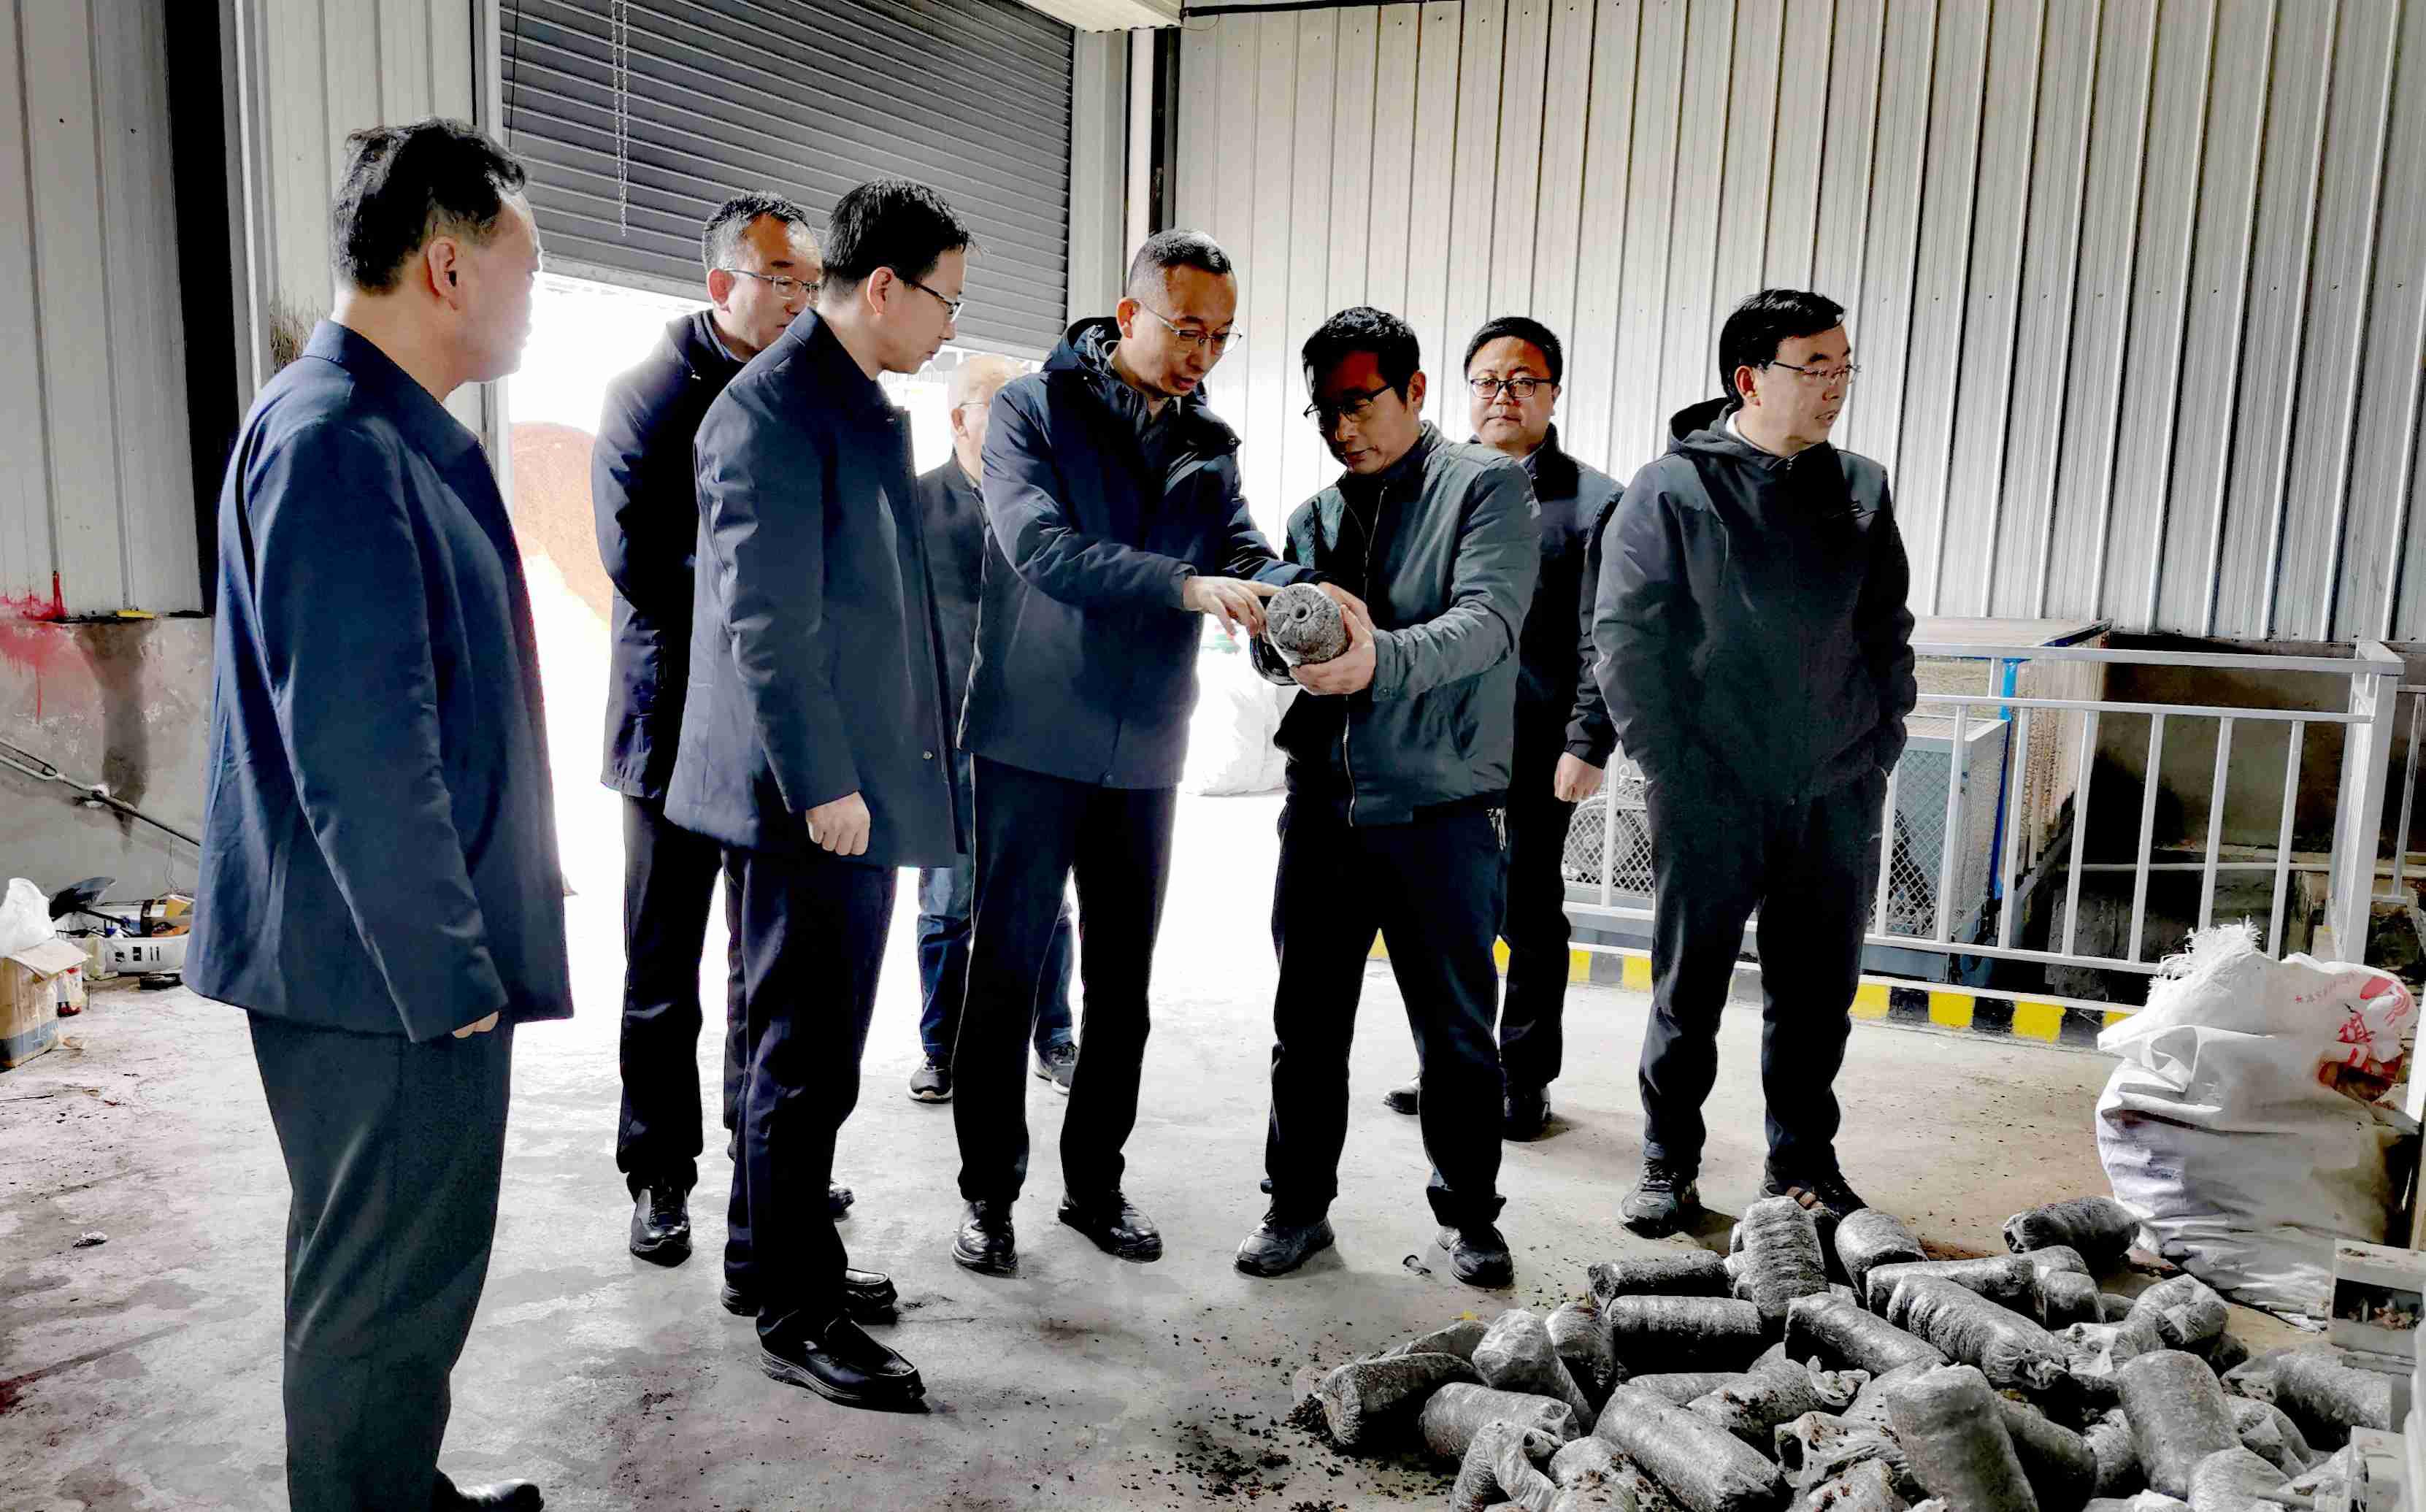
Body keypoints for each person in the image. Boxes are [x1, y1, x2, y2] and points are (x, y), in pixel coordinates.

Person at [188, 119, 559, 1511]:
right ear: (449, 268)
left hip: (378, 960)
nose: (532, 296)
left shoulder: (369, 425)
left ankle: (396, 1487)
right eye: (526, 266)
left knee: (394, 1268)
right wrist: (445, 973)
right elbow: (362, 752)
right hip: (382, 976)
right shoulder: (338, 442)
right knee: (380, 1292)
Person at [949, 229, 1317, 1278]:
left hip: (1146, 746)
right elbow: (1041, 549)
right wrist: (1185, 586)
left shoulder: (1206, 440)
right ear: (1127, 316)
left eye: (1221, 336)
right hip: (1032, 738)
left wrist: (1291, 592)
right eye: (1186, 328)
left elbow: (1239, 546)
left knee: (1122, 987)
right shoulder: (1033, 411)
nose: (1203, 352)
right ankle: (987, 1193)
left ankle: (1093, 1184)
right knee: (1005, 972)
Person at [664, 178, 968, 1408]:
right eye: (945, 298)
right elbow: (767, 621)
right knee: (806, 1055)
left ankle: (767, 1258)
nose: (950, 323)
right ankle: (798, 1313)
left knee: (783, 1039)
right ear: (883, 287)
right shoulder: (774, 410)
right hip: (812, 799)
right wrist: (826, 782)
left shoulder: (843, 398)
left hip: (839, 782)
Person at [1593, 287, 1916, 1239]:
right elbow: (1625, 639)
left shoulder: (1860, 487)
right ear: (1748, 378)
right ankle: (1667, 1160)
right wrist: (1672, 766)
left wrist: (1876, 742)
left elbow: (1885, 628)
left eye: (1842, 366)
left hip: (1834, 788)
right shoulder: (1672, 489)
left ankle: (1801, 1163)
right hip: (1710, 790)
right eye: (1812, 367)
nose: (1834, 386)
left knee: (1815, 995)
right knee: (1688, 985)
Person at [1235, 307, 1539, 1289]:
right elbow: (1284, 647)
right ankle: (1295, 1207)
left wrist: (1378, 661)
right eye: (1324, 410)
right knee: (1305, 1026)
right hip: (1323, 807)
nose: (1341, 428)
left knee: (1454, 1034)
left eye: (1359, 403)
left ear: (1413, 390)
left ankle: (1470, 1216)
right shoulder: (1313, 518)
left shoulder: (1485, 486)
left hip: (1438, 809)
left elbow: (1486, 622)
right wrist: (1273, 636)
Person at [595, 191, 856, 1265]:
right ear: (721, 284)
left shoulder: (803, 397)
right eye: (782, 279)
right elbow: (635, 560)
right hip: (669, 729)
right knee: (664, 965)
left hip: (768, 736)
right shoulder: (649, 396)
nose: (802, 299)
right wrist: (768, 599)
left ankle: (771, 1161)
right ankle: (659, 1171)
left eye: (812, 282)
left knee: (769, 969)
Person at [1381, 315, 1620, 1139]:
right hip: (1437, 742)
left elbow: (1603, 636)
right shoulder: (1430, 486)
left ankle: (1522, 1076)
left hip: (1532, 744)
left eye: (1523, 381)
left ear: (1552, 393)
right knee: (1445, 913)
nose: (1503, 396)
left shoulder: (1593, 504)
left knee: (1527, 912)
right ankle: (1451, 1067)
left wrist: (1587, 740)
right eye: (1487, 380)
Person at [908, 353, 1079, 1104]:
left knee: (1047, 901)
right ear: (959, 420)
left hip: (1036, 739)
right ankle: (940, 1047)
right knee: (947, 903)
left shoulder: (1045, 507)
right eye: (1001, 412)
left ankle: (1054, 1035)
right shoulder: (914, 506)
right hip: (947, 741)